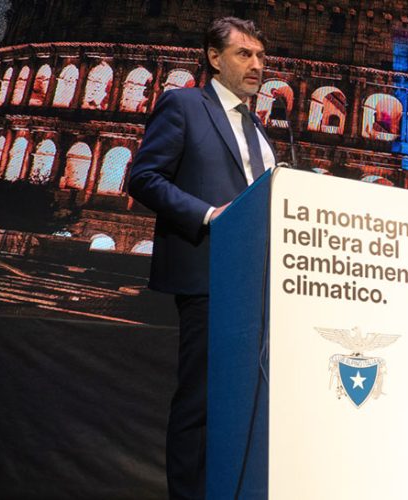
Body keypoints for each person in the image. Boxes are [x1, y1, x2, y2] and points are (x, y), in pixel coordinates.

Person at [127, 16, 275, 500]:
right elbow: (144, 178)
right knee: (201, 403)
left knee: (248, 403)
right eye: (243, 54)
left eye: (260, 56)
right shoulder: (185, 105)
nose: (257, 65)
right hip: (209, 273)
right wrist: (210, 214)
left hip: (261, 283)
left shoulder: (262, 128)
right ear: (214, 58)